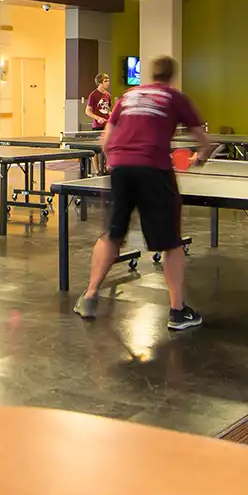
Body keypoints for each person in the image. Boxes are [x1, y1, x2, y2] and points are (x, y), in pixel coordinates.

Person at [75, 55, 217, 330]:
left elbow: (106, 141)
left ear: (151, 75)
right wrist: (199, 157)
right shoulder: (175, 97)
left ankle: (89, 296)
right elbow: (204, 141)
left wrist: (119, 163)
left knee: (112, 234)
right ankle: (177, 312)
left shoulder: (128, 97)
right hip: (154, 169)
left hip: (120, 169)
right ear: (172, 76)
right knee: (171, 242)